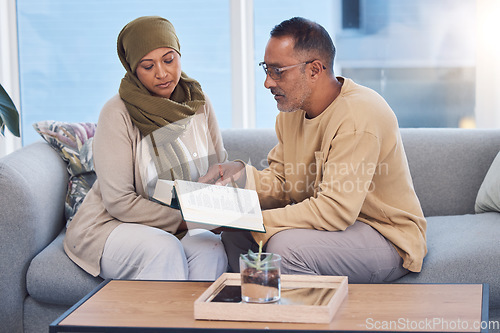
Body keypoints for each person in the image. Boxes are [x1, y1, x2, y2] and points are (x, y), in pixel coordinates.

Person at [200, 17, 427, 283]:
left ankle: (297, 322)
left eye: (278, 71)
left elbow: (334, 210)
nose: (267, 83)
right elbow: (284, 183)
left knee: (286, 248)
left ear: (315, 70)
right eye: (266, 69)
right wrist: (240, 175)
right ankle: (256, 313)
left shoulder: (358, 116)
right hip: (338, 229)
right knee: (235, 235)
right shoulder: (292, 112)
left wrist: (251, 218)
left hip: (384, 235)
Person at [64, 16, 228, 280]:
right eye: (148, 66)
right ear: (133, 69)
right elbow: (119, 201)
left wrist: (227, 212)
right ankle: (161, 322)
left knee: (211, 248)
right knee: (164, 249)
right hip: (112, 224)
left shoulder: (199, 102)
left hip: (182, 223)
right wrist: (189, 219)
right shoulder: (117, 112)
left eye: (169, 59)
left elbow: (218, 168)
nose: (162, 73)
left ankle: (198, 320)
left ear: (179, 55)